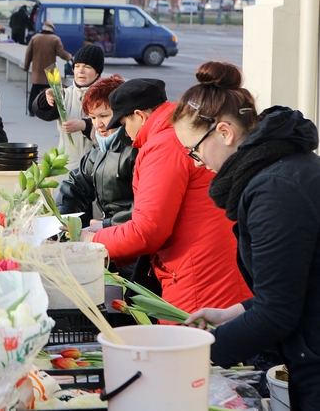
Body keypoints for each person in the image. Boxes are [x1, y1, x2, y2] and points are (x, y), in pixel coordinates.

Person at [176, 62, 320, 410]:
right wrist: (235, 312)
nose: (195, 163)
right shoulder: (280, 170)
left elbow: (277, 312)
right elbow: (293, 284)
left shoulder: (274, 189)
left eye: (193, 150)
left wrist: (196, 356)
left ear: (224, 132)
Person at [79, 78, 252, 315]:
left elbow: (148, 231)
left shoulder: (163, 145)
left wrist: (93, 242)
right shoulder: (175, 133)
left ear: (139, 116)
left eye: (123, 123)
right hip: (213, 266)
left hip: (198, 276)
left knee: (190, 347)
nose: (125, 134)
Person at [55, 74, 135, 230]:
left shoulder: (135, 150)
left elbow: (142, 210)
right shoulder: (99, 150)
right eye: (92, 117)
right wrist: (60, 218)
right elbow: (76, 185)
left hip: (127, 234)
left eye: (104, 116)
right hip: (110, 230)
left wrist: (105, 225)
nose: (98, 124)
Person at [33, 45, 105, 172]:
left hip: (97, 168)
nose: (80, 71)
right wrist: (46, 97)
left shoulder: (105, 96)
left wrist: (85, 125)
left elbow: (112, 131)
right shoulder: (65, 94)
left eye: (87, 67)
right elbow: (42, 112)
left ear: (97, 72)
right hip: (67, 168)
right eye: (77, 66)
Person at [23, 22, 72, 116]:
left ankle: (31, 110)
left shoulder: (35, 38)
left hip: (37, 70)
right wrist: (69, 57)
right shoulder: (55, 39)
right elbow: (61, 53)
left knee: (34, 91)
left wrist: (26, 67)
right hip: (51, 70)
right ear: (52, 30)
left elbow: (28, 54)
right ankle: (51, 111)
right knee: (53, 92)